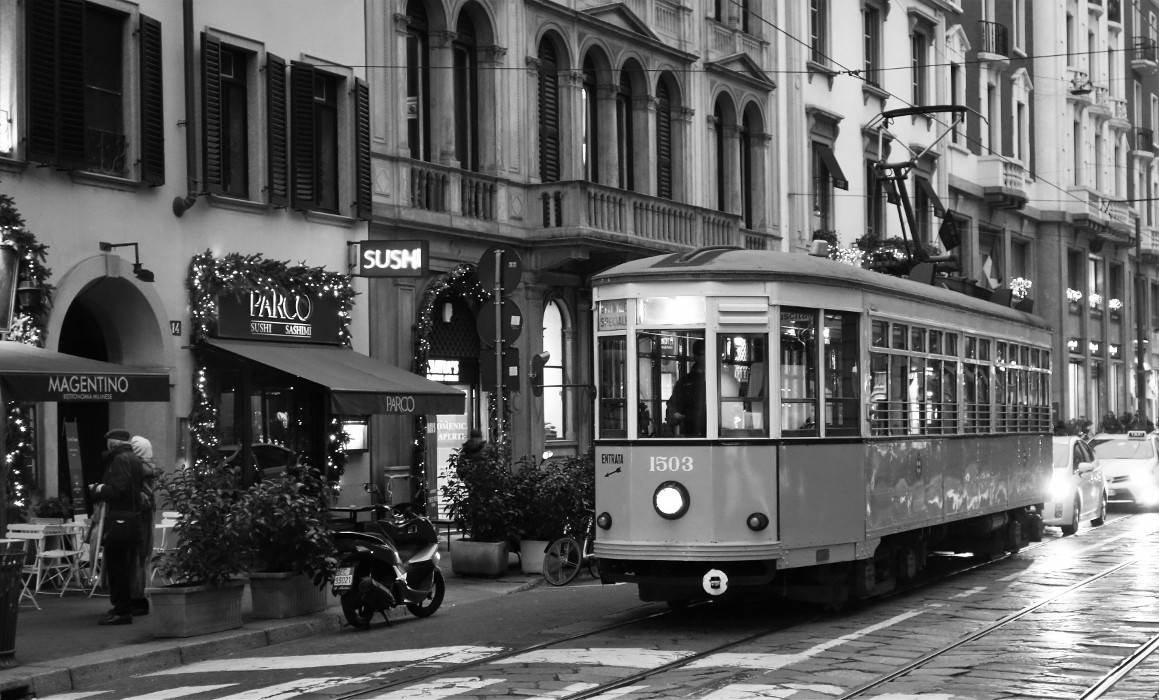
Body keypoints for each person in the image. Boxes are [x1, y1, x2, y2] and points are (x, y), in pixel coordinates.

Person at [90, 429, 145, 625]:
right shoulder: (134, 459)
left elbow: (118, 489)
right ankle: (122, 607)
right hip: (130, 518)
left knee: (116, 565)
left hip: (119, 519)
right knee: (122, 565)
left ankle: (121, 610)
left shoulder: (120, 460)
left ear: (111, 444)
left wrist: (98, 489)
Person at [129, 435, 161, 617]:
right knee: (142, 560)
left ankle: (136, 598)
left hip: (140, 520)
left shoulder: (138, 471)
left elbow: (141, 500)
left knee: (135, 560)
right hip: (148, 521)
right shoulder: (151, 470)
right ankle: (139, 598)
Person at [666, 340, 706, 437]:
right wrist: (675, 416)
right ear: (696, 357)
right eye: (704, 354)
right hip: (690, 434)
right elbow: (673, 405)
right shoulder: (685, 381)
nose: (708, 357)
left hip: (715, 431)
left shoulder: (719, 378)